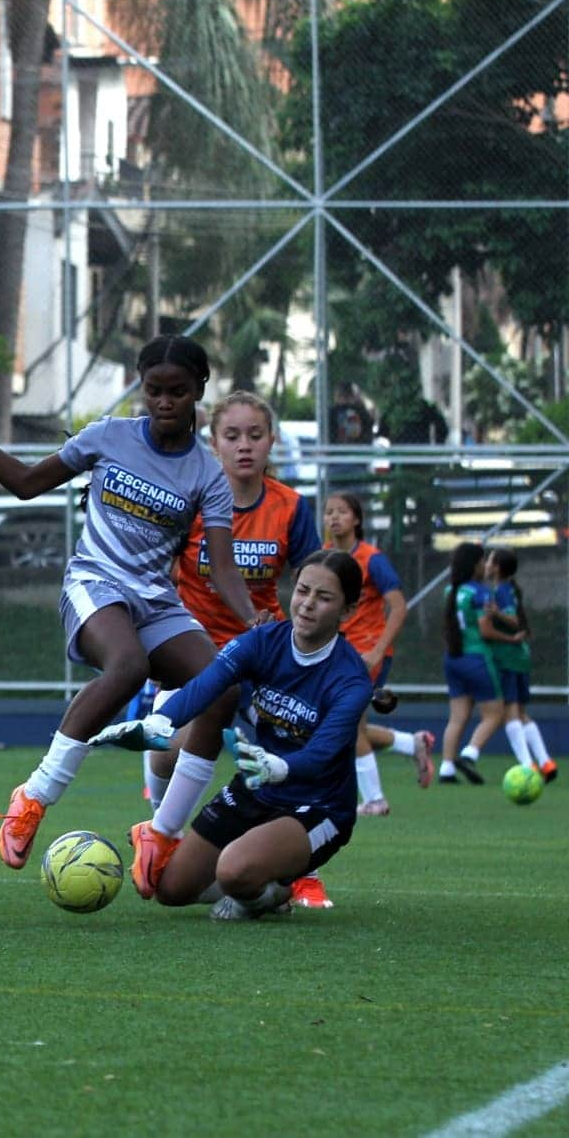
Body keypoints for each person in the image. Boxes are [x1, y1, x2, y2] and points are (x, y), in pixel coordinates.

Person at [0, 334, 263, 897]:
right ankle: (33, 797)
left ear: (200, 390)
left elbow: (222, 569)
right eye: (154, 391)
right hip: (94, 582)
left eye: (178, 391)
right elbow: (25, 484)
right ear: (142, 389)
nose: (165, 401)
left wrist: (252, 620)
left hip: (154, 599)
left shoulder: (206, 473)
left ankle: (162, 833)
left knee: (223, 687)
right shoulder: (109, 435)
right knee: (125, 667)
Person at [89, 550, 374, 921]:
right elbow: (207, 686)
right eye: (303, 590)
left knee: (233, 871)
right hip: (257, 786)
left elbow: (321, 754)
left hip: (318, 806)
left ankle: (269, 894)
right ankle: (249, 872)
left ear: (347, 611)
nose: (306, 605)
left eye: (324, 598)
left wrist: (278, 767)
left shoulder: (351, 679)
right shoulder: (262, 641)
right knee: (171, 889)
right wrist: (156, 724)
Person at [141, 391, 321, 878]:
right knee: (168, 748)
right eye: (233, 435)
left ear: (272, 442)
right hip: (189, 650)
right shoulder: (191, 501)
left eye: (255, 435)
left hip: (261, 658)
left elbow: (315, 583)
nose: (245, 446)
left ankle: (299, 870)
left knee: (288, 760)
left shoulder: (291, 508)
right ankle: (160, 827)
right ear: (213, 442)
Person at [322, 491, 435, 827]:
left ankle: (374, 800)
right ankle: (409, 743)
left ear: (356, 519)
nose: (333, 518)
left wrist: (377, 650)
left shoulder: (372, 559)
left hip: (365, 655)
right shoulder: (325, 556)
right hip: (337, 654)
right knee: (345, 727)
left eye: (341, 512)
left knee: (349, 728)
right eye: (328, 512)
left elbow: (398, 606)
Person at [439, 541, 516, 784]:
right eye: (482, 561)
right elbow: (485, 630)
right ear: (475, 565)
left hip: (453, 657)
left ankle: (446, 769)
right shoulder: (479, 592)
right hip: (476, 657)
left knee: (457, 716)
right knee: (495, 713)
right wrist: (511, 639)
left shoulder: (450, 590)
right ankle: (469, 754)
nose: (485, 565)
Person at [485, 546, 558, 783]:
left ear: (496, 568)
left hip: (508, 658)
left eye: (489, 560)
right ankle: (546, 762)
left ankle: (528, 767)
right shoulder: (509, 589)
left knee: (511, 714)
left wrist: (495, 613)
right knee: (522, 713)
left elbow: (515, 620)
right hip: (520, 657)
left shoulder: (502, 591)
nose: (486, 564)